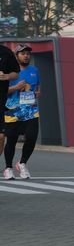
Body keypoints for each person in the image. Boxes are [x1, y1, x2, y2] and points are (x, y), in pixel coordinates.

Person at [4, 44, 40, 180]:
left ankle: (22, 163)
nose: (26, 56)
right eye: (23, 53)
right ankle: (8, 168)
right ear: (16, 56)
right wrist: (16, 88)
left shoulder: (34, 70)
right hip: (12, 111)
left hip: (31, 110)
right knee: (11, 140)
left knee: (31, 137)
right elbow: (3, 91)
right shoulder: (9, 72)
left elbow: (38, 87)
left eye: (28, 54)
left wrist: (38, 93)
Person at [0, 43, 21, 178]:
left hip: (1, 102)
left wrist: (6, 76)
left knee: (1, 137)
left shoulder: (5, 52)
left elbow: (16, 73)